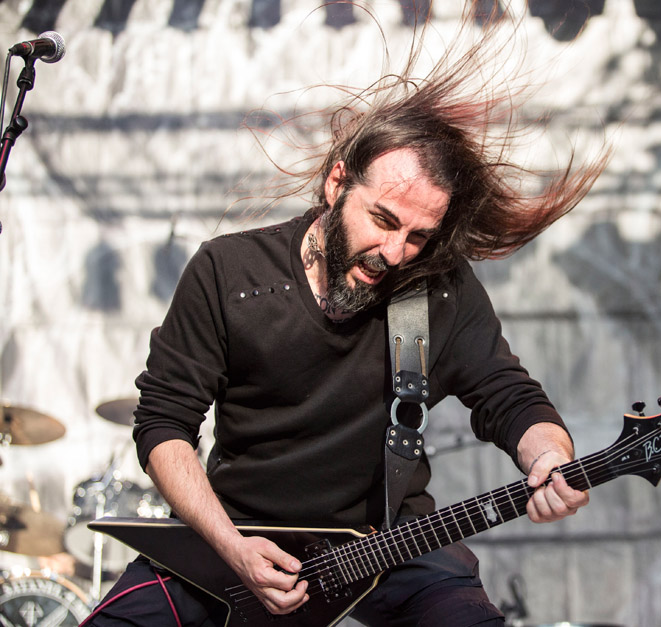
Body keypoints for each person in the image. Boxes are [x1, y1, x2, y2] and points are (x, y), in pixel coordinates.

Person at [82, 8, 608, 627]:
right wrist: (230, 546)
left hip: (390, 542)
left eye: (418, 235)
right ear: (337, 184)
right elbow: (164, 423)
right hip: (236, 534)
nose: (394, 252)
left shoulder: (438, 287)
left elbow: (507, 395)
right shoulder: (229, 271)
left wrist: (547, 456)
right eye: (383, 220)